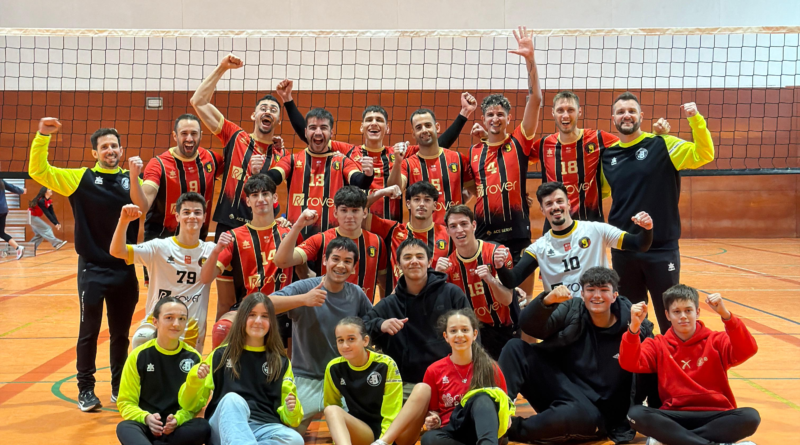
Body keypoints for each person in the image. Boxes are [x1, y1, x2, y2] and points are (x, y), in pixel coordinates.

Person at [29, 117, 140, 411]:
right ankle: (86, 390)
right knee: (88, 332)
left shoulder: (133, 181)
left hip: (125, 268)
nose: (110, 150)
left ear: (121, 149)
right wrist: (43, 136)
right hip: (92, 268)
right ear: (94, 153)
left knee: (121, 334)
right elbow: (38, 170)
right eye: (104, 147)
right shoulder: (81, 178)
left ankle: (118, 387)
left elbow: (149, 204)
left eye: (114, 145)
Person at [275, 80, 476, 222]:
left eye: (379, 120)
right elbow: (314, 137)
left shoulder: (400, 153)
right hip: (358, 224)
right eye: (369, 120)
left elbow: (435, 144)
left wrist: (464, 114)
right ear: (361, 127)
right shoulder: (348, 152)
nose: (374, 123)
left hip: (392, 224)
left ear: (387, 128)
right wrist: (288, 100)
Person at [498, 267, 656, 444]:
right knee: (515, 348)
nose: (597, 296)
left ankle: (507, 429)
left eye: (604, 290)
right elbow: (529, 326)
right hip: (563, 389)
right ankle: (496, 412)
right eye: (591, 290)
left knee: (573, 416)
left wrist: (658, 418)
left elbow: (653, 371)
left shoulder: (635, 327)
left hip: (595, 414)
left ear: (614, 296)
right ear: (582, 294)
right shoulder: (573, 310)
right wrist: (547, 300)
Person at [601, 93, 715, 332]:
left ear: (641, 116)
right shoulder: (608, 156)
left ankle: (672, 355)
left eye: (631, 111)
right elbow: (600, 192)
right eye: (621, 112)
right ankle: (640, 357)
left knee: (670, 320)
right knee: (632, 321)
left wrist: (695, 119)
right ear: (613, 119)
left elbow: (704, 154)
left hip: (661, 249)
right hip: (624, 249)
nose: (626, 116)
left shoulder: (663, 144)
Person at [190, 53, 286, 315]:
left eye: (274, 110)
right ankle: (224, 341)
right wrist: (222, 68)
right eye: (263, 108)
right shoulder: (236, 136)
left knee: (260, 298)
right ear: (254, 115)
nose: (268, 111)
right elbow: (198, 101)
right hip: (230, 226)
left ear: (278, 120)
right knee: (225, 300)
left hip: (264, 231)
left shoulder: (281, 155)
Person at [621, 285, 760, 445]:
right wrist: (634, 327)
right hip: (675, 415)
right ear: (667, 315)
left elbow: (748, 349)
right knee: (635, 414)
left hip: (715, 415)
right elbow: (629, 363)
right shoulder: (658, 344)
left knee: (750, 417)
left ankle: (672, 439)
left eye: (688, 310)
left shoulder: (717, 340)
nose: (683, 316)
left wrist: (727, 316)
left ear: (697, 312)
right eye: (676, 311)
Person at [269, 237, 373, 434]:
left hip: (343, 379)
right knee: (288, 438)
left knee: (359, 436)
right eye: (336, 259)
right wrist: (303, 300)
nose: (341, 265)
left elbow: (372, 324)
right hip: (304, 378)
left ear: (353, 267)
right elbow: (265, 304)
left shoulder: (356, 294)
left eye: (347, 261)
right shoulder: (305, 287)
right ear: (325, 260)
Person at [178, 293, 304, 445]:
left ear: (271, 321)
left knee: (295, 440)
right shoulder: (220, 355)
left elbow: (291, 418)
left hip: (264, 427)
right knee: (233, 399)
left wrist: (292, 410)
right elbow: (189, 405)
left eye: (264, 316)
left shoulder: (280, 361)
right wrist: (195, 381)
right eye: (252, 315)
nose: (258, 321)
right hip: (224, 426)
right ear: (242, 318)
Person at [497, 181, 653, 298]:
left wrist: (647, 229)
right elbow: (513, 279)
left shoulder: (596, 230)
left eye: (559, 201)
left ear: (568, 204)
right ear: (542, 210)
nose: (555, 207)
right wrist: (499, 266)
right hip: (562, 317)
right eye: (549, 204)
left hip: (597, 308)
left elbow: (639, 244)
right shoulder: (538, 248)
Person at [465, 26, 542, 263]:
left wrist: (530, 60)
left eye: (500, 114)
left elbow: (536, 99)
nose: (495, 118)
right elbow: (472, 187)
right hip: (484, 233)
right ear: (483, 119)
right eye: (490, 114)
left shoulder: (519, 141)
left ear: (509, 118)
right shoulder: (475, 150)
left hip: (516, 231)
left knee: (520, 285)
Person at [199, 174, 297, 349]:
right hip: (246, 308)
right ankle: (218, 366)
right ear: (248, 201)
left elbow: (304, 274)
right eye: (255, 195)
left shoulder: (289, 233)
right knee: (222, 329)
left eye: (265, 194)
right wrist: (216, 250)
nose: (260, 199)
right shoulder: (233, 237)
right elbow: (205, 278)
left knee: (288, 358)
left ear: (274, 198)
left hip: (282, 311)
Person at [109, 193, 215, 354]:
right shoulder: (159, 247)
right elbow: (117, 251)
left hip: (190, 331)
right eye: (186, 212)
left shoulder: (211, 251)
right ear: (177, 216)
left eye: (197, 212)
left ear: (204, 217)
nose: (192, 216)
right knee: (142, 338)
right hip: (157, 325)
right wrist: (123, 221)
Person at [364, 238, 470, 395]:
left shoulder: (452, 293)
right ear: (398, 265)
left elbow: (472, 334)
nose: (414, 261)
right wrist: (380, 325)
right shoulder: (389, 304)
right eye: (407, 257)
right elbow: (360, 329)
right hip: (406, 385)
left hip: (450, 380)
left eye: (420, 257)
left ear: (429, 262)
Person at [127, 114, 223, 285]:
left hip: (196, 242)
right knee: (160, 295)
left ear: (201, 135)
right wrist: (134, 179)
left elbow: (237, 172)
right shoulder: (159, 164)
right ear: (175, 135)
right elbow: (143, 205)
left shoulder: (212, 159)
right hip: (162, 241)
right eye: (184, 133)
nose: (189, 138)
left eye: (194, 133)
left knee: (193, 290)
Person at [265, 108, 375, 240]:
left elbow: (360, 182)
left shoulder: (342, 161)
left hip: (333, 241)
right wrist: (259, 169)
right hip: (297, 240)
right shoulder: (292, 160)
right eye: (313, 128)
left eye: (323, 128)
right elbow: (270, 179)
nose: (318, 132)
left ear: (331, 133)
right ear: (305, 132)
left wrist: (368, 174)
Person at [116, 297, 210, 445]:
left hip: (176, 428)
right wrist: (146, 418)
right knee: (125, 427)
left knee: (202, 426)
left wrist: (178, 419)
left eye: (182, 319)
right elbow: (125, 402)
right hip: (146, 425)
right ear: (155, 322)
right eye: (169, 318)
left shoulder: (194, 358)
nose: (176, 324)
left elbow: (196, 405)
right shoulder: (139, 355)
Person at [323, 317, 431, 445]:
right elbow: (331, 405)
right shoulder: (333, 368)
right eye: (340, 340)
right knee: (331, 410)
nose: (345, 345)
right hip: (364, 431)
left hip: (394, 433)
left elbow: (391, 411)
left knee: (423, 388)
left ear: (365, 341)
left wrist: (384, 442)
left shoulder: (385, 364)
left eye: (351, 339)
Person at [274, 186, 387, 302]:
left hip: (362, 312)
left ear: (365, 213)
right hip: (325, 310)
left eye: (355, 210)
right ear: (335, 213)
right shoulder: (321, 239)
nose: (349, 216)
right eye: (344, 210)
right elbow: (281, 261)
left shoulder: (377, 242)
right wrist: (298, 225)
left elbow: (384, 283)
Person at [421, 309, 514, 445]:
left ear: (474, 334)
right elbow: (434, 411)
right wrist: (433, 419)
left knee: (482, 398)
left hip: (482, 429)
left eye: (465, 330)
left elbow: (505, 404)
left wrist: (507, 416)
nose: (459, 335)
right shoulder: (433, 370)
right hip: (451, 431)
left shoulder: (490, 367)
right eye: (453, 331)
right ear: (446, 336)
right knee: (428, 439)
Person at [435, 205, 516, 360]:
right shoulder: (448, 265)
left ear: (473, 225)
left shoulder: (496, 253)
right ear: (448, 231)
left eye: (464, 224)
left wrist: (490, 280)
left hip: (503, 330)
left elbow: (507, 299)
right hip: (471, 334)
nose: (459, 230)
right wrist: (437, 277)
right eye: (453, 226)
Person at [386, 108, 475, 225]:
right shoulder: (407, 164)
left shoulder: (457, 158)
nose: (424, 130)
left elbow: (478, 190)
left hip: (452, 231)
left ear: (437, 127)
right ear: (413, 133)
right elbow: (394, 189)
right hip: (421, 232)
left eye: (428, 125)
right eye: (419, 127)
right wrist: (397, 162)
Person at [364, 182, 452, 286]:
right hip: (398, 296)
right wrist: (381, 192)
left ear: (435, 205)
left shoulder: (448, 234)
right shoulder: (392, 230)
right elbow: (358, 213)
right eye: (417, 199)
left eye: (427, 200)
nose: (422, 204)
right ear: (408, 204)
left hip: (436, 295)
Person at [27, 186, 68, 252]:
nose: (51, 190)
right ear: (45, 191)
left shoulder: (48, 201)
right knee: (47, 228)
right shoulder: (41, 201)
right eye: (49, 189)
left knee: (39, 235)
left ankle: (29, 248)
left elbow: (51, 213)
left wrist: (57, 223)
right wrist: (55, 223)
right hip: (30, 216)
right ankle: (56, 243)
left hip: (32, 217)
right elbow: (47, 213)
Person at [0, 177, 26, 259]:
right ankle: (18, 248)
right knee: (1, 233)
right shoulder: (1, 181)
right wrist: (22, 191)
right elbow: (12, 187)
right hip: (3, 210)